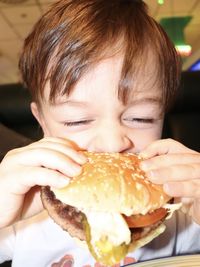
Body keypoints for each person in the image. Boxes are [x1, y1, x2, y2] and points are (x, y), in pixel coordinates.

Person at [0, 0, 200, 266]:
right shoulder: (22, 216)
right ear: (43, 123)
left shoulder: (181, 218)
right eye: (77, 120)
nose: (112, 143)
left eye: (141, 117)